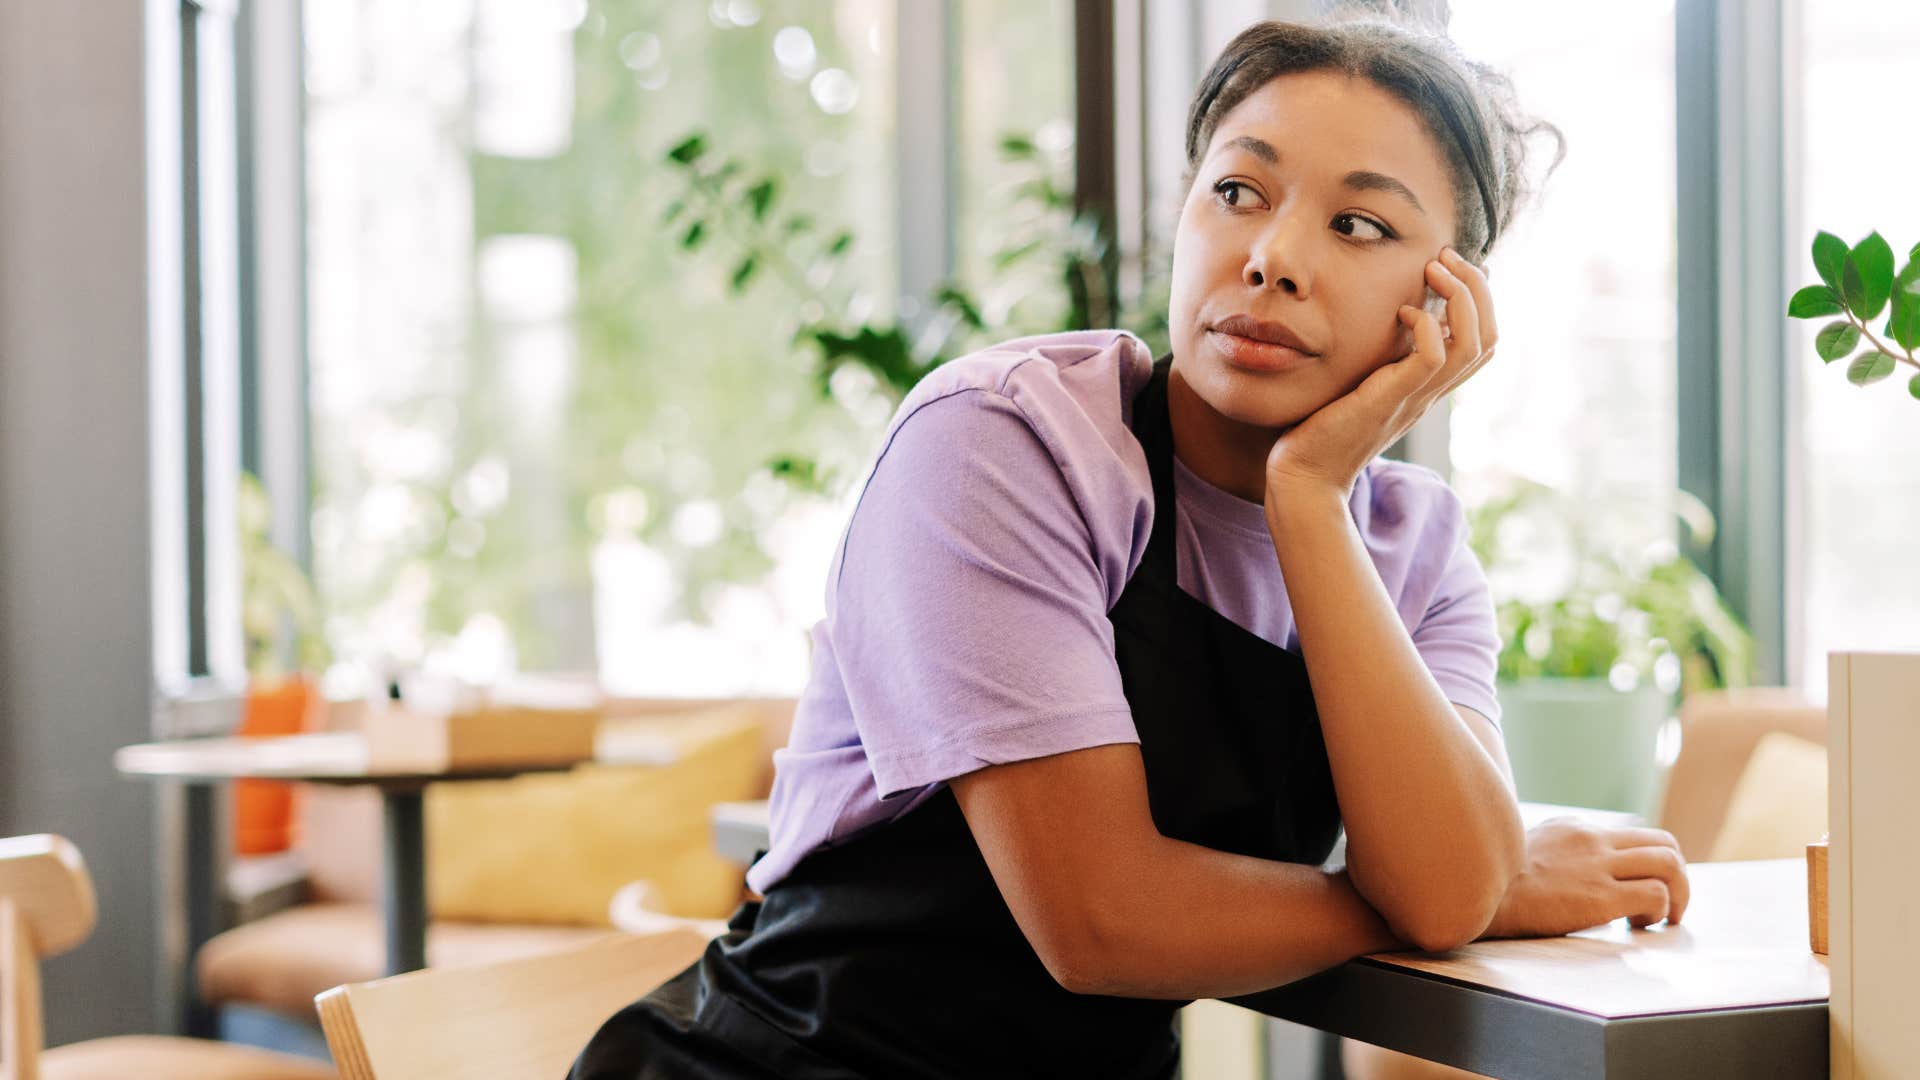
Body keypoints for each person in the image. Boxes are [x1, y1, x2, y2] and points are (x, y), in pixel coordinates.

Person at [571, 12, 1692, 1079]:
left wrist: (1307, 498)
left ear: (1445, 307)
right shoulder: (1008, 443)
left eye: (1360, 225)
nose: (1271, 257)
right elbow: (1100, 922)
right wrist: (1455, 892)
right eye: (1239, 192)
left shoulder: (1416, 551)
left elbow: (1444, 888)